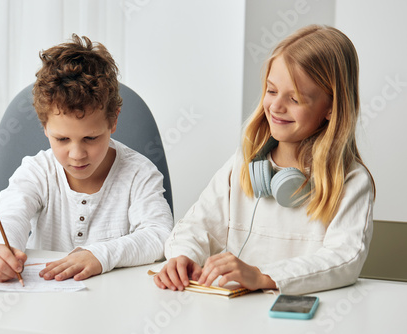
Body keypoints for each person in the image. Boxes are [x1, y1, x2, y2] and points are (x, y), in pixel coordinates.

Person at [154, 25, 375, 295]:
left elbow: (345, 259)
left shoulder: (351, 181)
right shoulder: (243, 165)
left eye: (294, 98)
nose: (276, 106)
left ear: (331, 108)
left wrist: (263, 276)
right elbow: (195, 226)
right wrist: (183, 256)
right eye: (271, 91)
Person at [0, 34, 173, 283]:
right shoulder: (38, 171)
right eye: (62, 139)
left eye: (91, 138)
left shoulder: (139, 174)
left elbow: (159, 234)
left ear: (113, 121)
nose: (77, 154)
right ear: (45, 127)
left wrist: (99, 254)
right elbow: (9, 215)